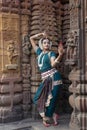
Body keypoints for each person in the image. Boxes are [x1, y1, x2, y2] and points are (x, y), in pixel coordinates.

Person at [30, 32, 64, 127]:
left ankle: (49, 118)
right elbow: (31, 39)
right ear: (41, 44)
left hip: (54, 78)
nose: (46, 44)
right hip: (45, 79)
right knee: (39, 97)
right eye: (44, 43)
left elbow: (53, 64)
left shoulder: (51, 53)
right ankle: (52, 115)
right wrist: (40, 34)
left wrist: (60, 55)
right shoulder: (39, 52)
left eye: (48, 43)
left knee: (52, 99)